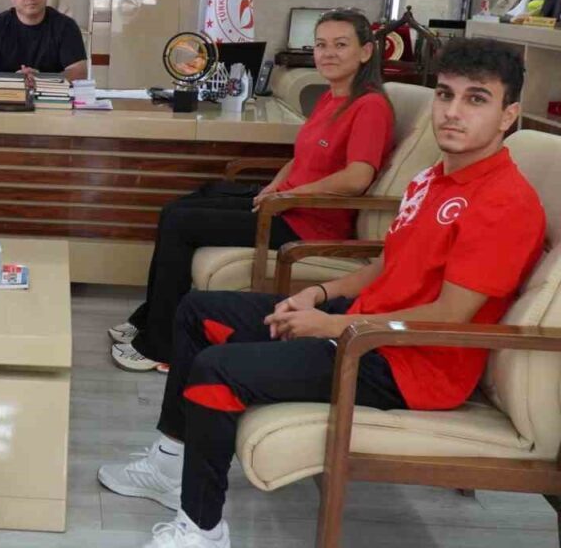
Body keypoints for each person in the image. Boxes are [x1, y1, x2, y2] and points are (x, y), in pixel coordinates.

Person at [97, 38, 545, 548]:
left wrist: (332, 326)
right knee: (197, 310)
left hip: (409, 364)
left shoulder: (505, 203)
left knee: (218, 369)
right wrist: (319, 294)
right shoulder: (433, 179)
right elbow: (388, 264)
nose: (452, 112)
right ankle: (169, 465)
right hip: (365, 326)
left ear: (508, 116)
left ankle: (202, 530)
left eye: (476, 99)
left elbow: (451, 315)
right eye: (445, 94)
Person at [110, 9, 394, 372]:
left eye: (340, 45)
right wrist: (275, 186)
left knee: (182, 224)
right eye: (321, 45)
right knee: (180, 207)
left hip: (307, 222)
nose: (328, 54)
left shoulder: (369, 106)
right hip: (284, 204)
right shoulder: (331, 97)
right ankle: (150, 318)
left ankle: (159, 347)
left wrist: (289, 196)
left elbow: (357, 177)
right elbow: (301, 157)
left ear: (366, 52)